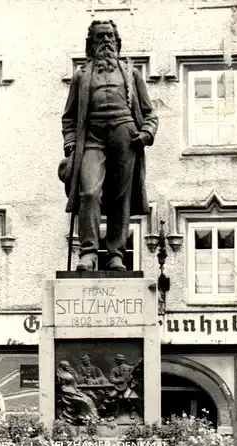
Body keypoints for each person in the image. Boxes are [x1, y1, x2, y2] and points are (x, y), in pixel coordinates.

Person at [61, 20, 158, 271]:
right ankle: (89, 252)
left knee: (120, 197)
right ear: (91, 44)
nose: (106, 41)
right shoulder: (81, 76)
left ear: (117, 42)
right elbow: (69, 117)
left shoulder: (131, 74)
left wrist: (147, 132)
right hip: (91, 138)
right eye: (100, 37)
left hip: (125, 135)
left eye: (110, 37)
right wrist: (71, 146)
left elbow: (149, 113)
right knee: (90, 192)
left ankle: (116, 254)